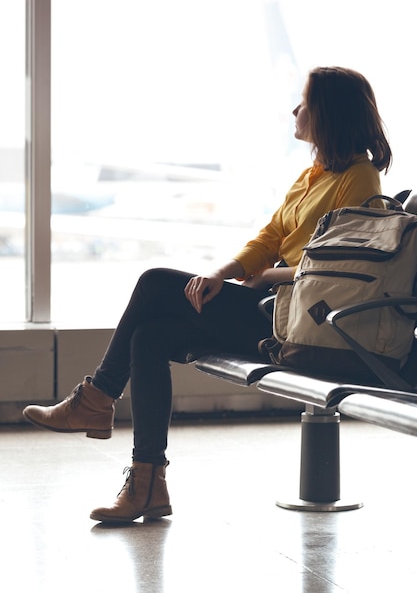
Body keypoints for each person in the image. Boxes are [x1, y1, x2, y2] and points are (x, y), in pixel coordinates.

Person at [23, 66, 392, 524]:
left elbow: (340, 268)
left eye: (305, 101)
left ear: (329, 113)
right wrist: (221, 274)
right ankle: (147, 485)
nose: (295, 110)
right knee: (151, 336)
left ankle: (97, 400)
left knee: (156, 282)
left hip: (296, 322)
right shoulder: (313, 174)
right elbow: (270, 236)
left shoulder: (359, 180)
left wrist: (267, 278)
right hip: (273, 308)